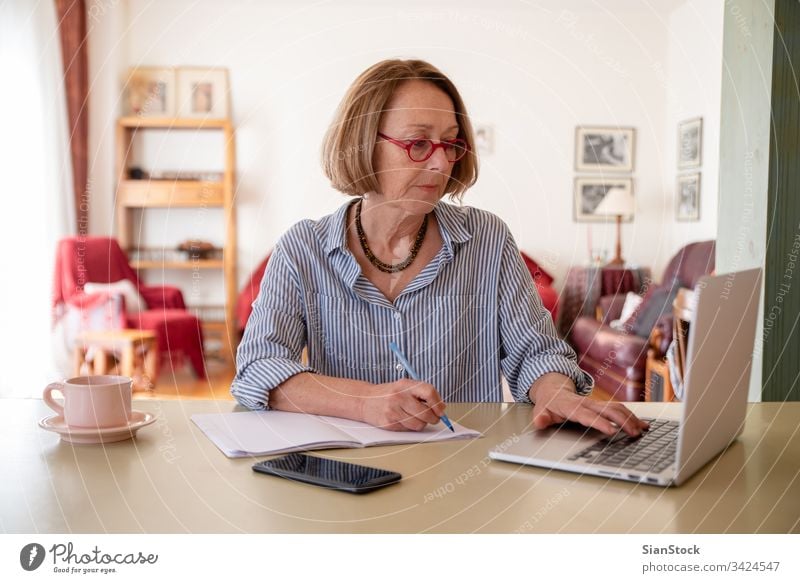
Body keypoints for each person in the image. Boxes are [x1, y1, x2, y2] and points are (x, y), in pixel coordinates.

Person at [231, 59, 647, 437]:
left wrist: (555, 391)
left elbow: (536, 353)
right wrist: (365, 402)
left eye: (450, 144)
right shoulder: (303, 249)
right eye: (417, 144)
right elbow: (256, 369)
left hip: (466, 474)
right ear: (363, 145)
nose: (440, 164)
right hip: (346, 476)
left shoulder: (488, 240)